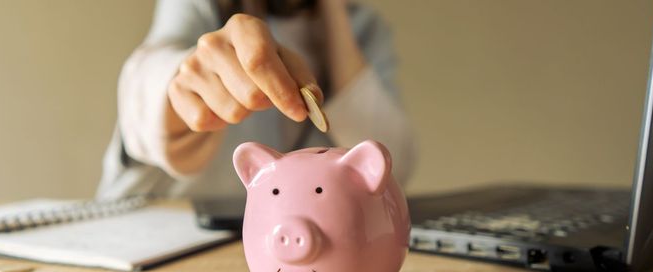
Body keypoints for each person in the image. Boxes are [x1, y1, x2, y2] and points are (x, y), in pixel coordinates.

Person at [97, 0, 415, 200]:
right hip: (159, 230)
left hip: (285, 250)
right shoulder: (202, 5)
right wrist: (179, 89)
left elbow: (389, 168)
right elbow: (152, 69)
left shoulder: (365, 28)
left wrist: (334, 13)